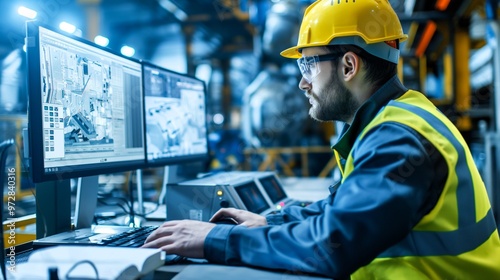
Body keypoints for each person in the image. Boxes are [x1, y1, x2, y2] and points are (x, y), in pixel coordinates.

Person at [143, 0, 500, 278]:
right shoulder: (392, 121)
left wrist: (214, 240)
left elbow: (332, 244)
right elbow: (343, 210)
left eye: (308, 65)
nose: (303, 82)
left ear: (348, 66)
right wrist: (271, 222)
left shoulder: (398, 140)